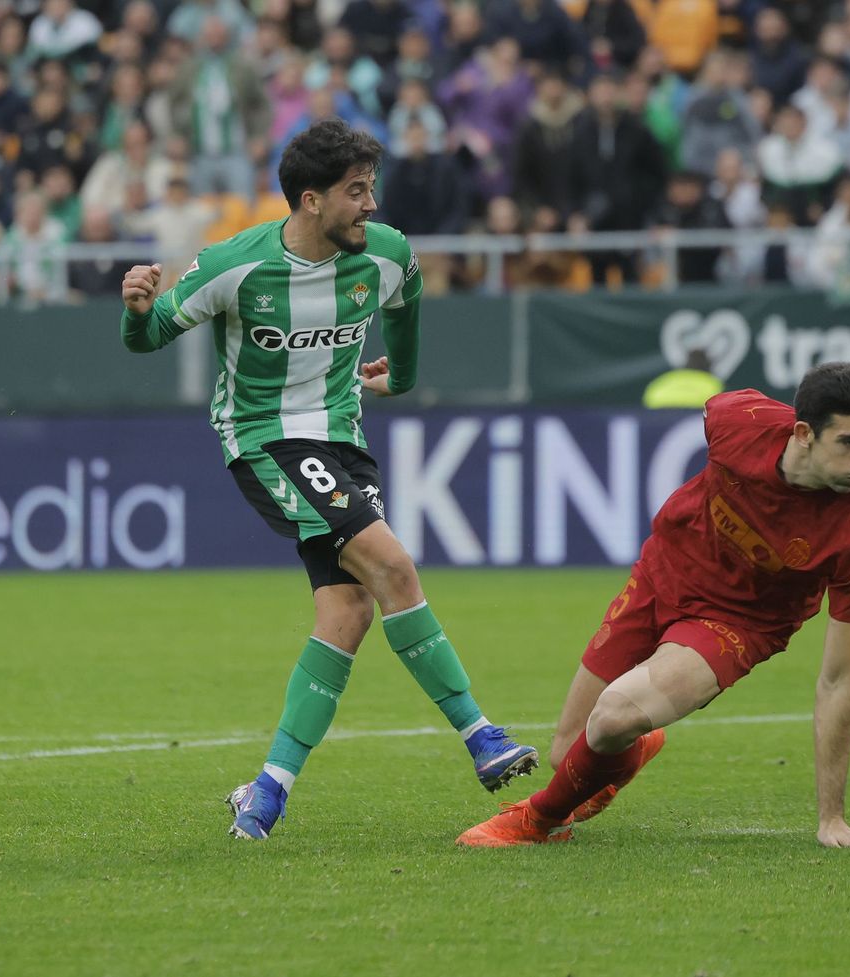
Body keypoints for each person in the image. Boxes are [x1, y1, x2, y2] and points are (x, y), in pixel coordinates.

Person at [117, 120, 538, 841]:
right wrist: (134, 308)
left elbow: (407, 306)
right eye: (355, 191)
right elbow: (151, 334)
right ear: (310, 201)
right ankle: (482, 736)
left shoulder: (386, 254)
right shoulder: (235, 266)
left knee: (348, 612)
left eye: (371, 187)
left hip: (343, 442)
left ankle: (267, 791)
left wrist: (398, 379)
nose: (369, 204)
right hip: (266, 440)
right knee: (393, 565)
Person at [457, 363, 850, 847]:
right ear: (804, 433)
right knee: (569, 752)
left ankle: (538, 821)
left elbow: (839, 678)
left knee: (613, 718)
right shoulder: (737, 419)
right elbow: (716, 412)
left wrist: (831, 817)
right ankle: (632, 748)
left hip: (737, 624)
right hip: (661, 577)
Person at [642, 348, 724, 408]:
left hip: (658, 412)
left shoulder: (667, 378)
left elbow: (648, 398)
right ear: (708, 366)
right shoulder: (713, 383)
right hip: (692, 415)